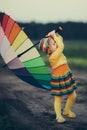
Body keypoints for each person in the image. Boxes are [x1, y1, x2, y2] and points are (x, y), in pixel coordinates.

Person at [39, 29, 77, 123]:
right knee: (58, 97)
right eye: (53, 43)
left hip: (66, 74)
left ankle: (67, 111)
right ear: (49, 49)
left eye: (55, 42)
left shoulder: (55, 50)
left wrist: (55, 34)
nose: (56, 43)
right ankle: (58, 116)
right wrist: (54, 36)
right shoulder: (53, 56)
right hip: (59, 77)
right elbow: (61, 46)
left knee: (73, 95)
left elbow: (61, 40)